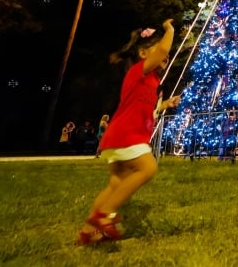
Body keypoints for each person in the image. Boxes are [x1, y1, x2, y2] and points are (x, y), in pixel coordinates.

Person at [75, 19, 180, 245]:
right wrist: (169, 30)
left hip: (119, 136)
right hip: (126, 135)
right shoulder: (138, 72)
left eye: (166, 55)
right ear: (143, 53)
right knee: (148, 167)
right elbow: (163, 48)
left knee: (116, 184)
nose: (165, 55)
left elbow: (146, 109)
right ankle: (105, 215)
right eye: (159, 52)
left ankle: (88, 231)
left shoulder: (151, 81)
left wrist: (164, 105)